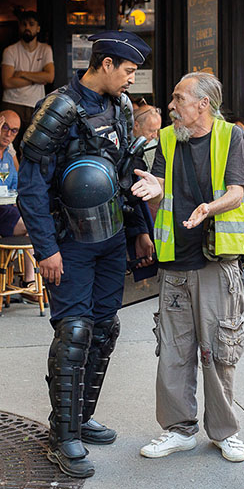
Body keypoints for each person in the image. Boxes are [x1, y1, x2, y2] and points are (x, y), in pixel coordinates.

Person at [18, 31, 155, 478]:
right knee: (74, 331)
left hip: (112, 239)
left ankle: (80, 416)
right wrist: (46, 249)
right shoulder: (58, 108)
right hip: (70, 243)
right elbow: (32, 186)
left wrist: (138, 232)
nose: (132, 80)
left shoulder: (121, 108)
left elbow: (124, 175)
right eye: (129, 71)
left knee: (104, 328)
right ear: (107, 63)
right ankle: (63, 436)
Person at [137, 71, 244, 463]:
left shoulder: (231, 136)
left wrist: (209, 208)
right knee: (173, 349)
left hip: (215, 259)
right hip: (175, 260)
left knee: (219, 351)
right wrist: (154, 189)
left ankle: (224, 432)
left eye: (179, 99)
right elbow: (159, 185)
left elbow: (237, 192)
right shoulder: (167, 139)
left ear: (204, 104)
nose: (171, 106)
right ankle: (179, 430)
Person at [2, 10, 54, 153]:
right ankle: (10, 174)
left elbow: (49, 77)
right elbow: (7, 82)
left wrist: (23, 74)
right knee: (8, 146)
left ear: (38, 28)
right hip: (12, 103)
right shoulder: (10, 51)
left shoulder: (45, 49)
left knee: (33, 147)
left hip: (35, 104)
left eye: (31, 24)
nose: (27, 28)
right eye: (24, 24)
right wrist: (36, 79)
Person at [132, 98, 162, 169]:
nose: (154, 135)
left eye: (157, 130)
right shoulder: (123, 144)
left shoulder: (155, 145)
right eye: (151, 131)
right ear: (136, 125)